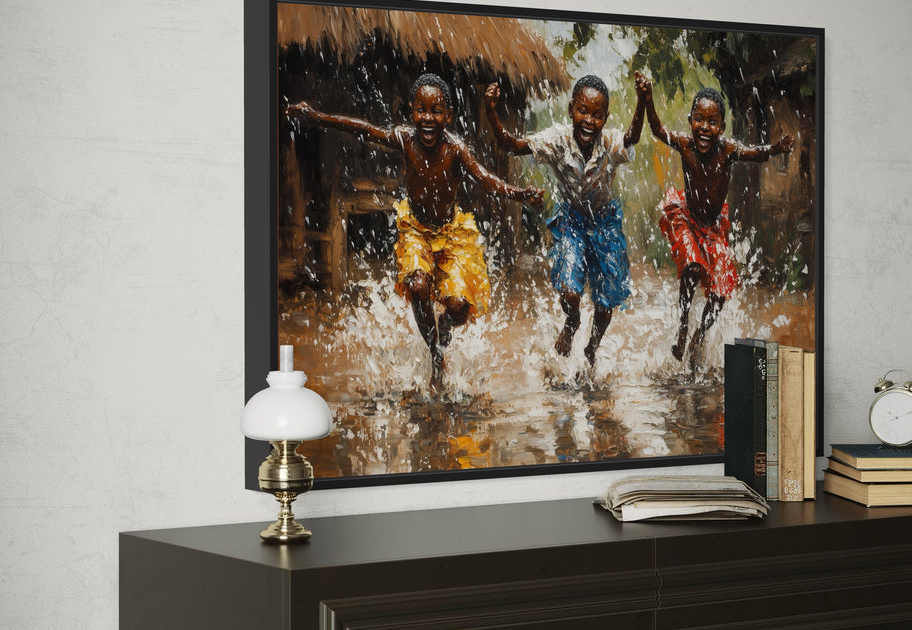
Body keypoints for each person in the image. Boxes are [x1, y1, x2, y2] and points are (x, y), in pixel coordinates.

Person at [287, 73, 544, 393]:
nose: (428, 118)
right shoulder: (404, 139)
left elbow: (486, 179)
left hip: (452, 234)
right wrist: (317, 117)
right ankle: (437, 358)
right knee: (418, 285)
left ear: (448, 115)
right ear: (411, 112)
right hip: (417, 231)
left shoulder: (456, 149)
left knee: (459, 308)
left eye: (436, 111)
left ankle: (445, 327)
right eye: (421, 110)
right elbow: (364, 129)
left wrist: (520, 194)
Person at [484, 72, 650, 366]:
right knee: (570, 291)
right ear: (572, 108)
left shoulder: (610, 143)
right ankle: (571, 324)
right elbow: (511, 145)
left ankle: (591, 348)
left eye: (597, 115)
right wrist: (490, 111)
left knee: (605, 303)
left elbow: (632, 137)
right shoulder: (557, 140)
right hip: (572, 221)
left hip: (604, 223)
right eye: (583, 111)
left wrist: (642, 102)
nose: (588, 120)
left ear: (605, 118)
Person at [645, 85, 794, 374]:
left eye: (712, 122)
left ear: (722, 127)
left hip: (713, 229)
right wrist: (648, 100)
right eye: (699, 119)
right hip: (687, 219)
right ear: (690, 121)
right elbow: (658, 130)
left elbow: (755, 154)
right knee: (690, 264)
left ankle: (701, 332)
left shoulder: (728, 150)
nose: (704, 127)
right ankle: (684, 324)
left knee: (722, 289)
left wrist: (775, 149)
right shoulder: (685, 144)